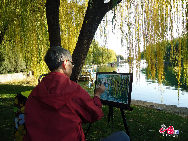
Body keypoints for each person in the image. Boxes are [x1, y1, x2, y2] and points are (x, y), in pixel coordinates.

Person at [23, 46, 130, 141]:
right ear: (65, 64)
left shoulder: (34, 93)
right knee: (123, 136)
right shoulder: (73, 90)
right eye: (72, 63)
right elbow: (95, 114)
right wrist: (97, 96)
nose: (72, 67)